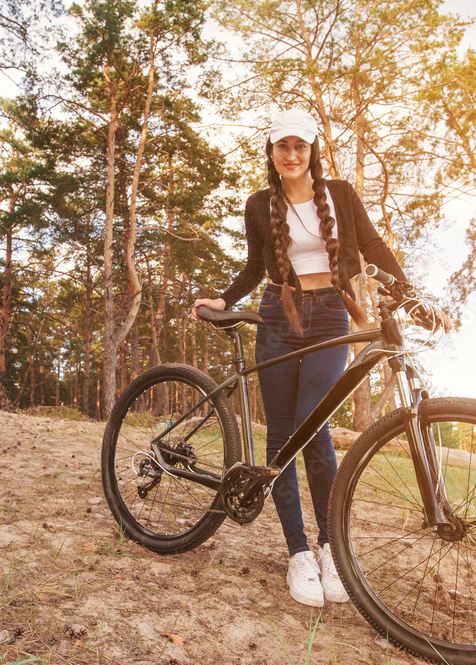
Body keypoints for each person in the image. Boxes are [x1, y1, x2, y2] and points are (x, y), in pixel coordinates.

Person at [190, 109, 451, 608]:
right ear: (271, 153)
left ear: (312, 151)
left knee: (316, 430)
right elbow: (252, 266)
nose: (291, 155)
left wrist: (409, 292)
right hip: (277, 314)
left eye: (300, 146)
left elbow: (373, 244)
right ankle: (298, 553)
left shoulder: (341, 196)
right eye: (282, 146)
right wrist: (225, 298)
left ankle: (332, 548)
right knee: (283, 434)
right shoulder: (258, 204)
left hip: (331, 312)